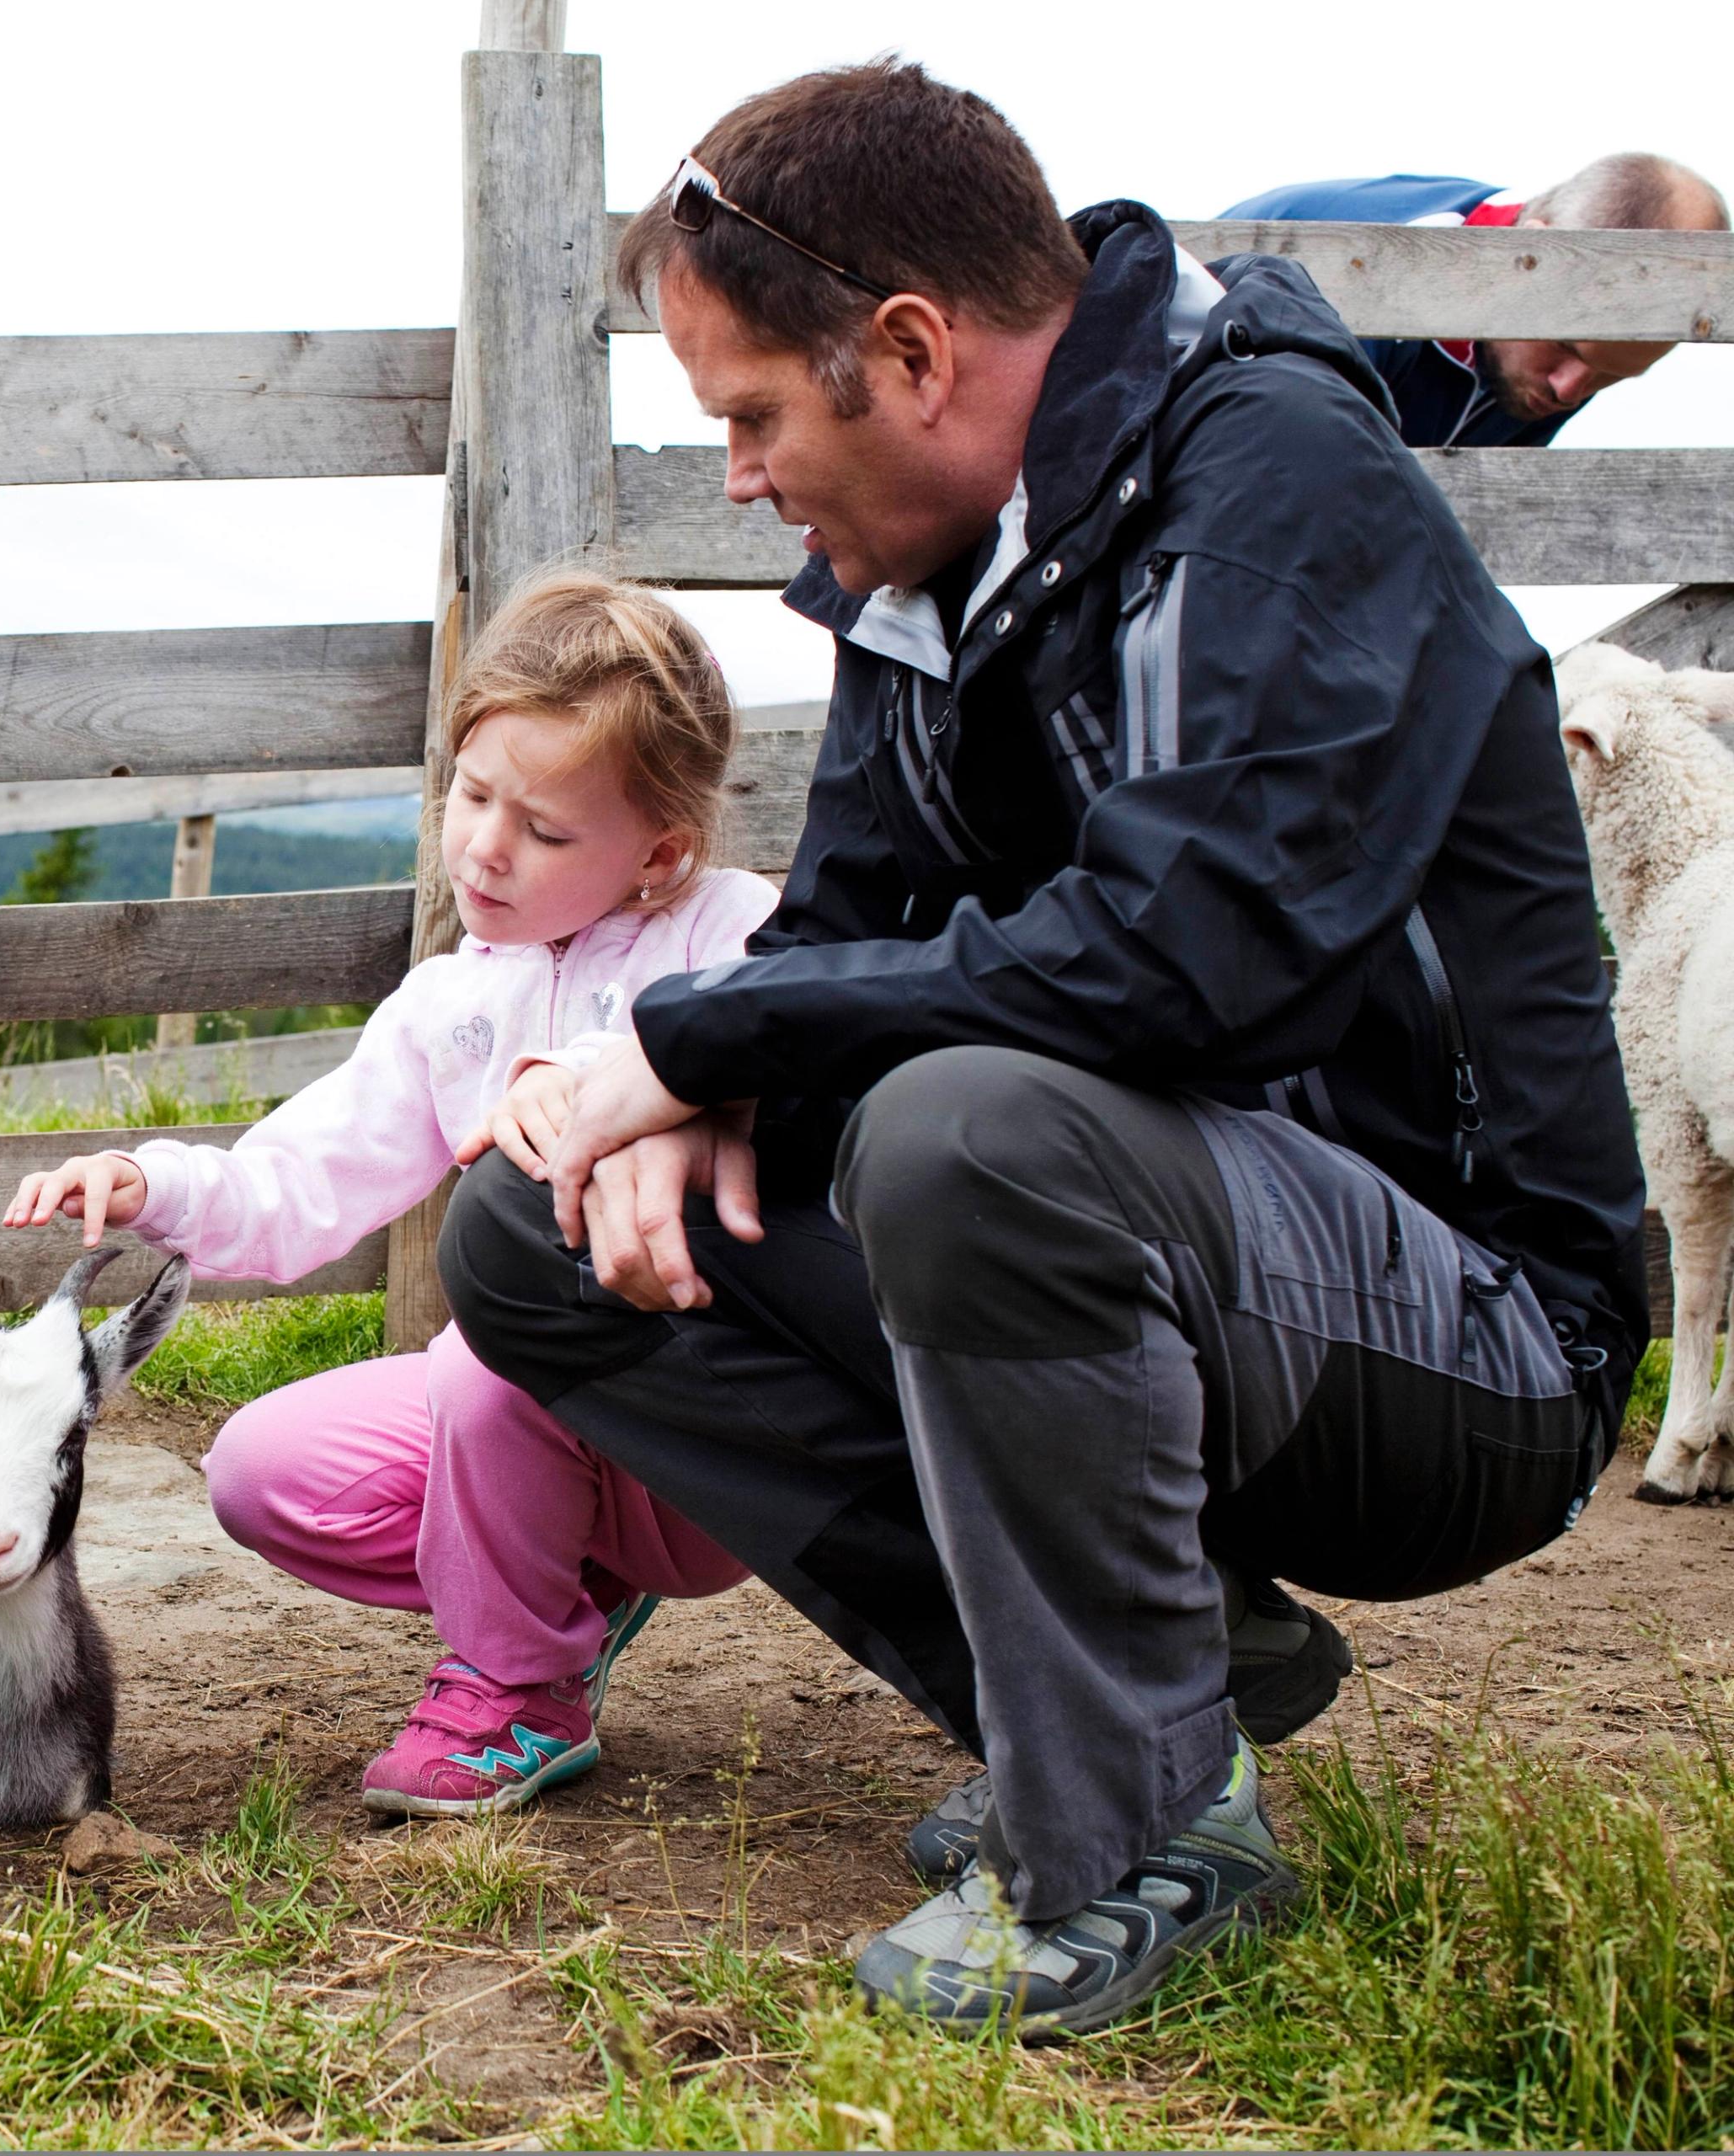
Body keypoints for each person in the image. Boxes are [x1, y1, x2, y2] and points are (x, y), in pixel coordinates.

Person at [440, 63, 1645, 2035]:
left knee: (971, 1129)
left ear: (905, 350)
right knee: (530, 1226)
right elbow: (842, 926)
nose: (740, 475)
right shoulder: (927, 584)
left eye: (749, 411)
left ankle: (1133, 1834)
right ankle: (1143, 1680)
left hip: (1465, 1339)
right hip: (1175, 1287)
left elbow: (1192, 966)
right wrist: (680, 1097)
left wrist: (687, 1033)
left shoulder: (1273, 487)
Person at [3, 570, 769, 1818]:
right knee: (259, 1472)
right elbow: (299, 1186)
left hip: (710, 1440)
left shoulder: (734, 930)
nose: (484, 847)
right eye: (470, 796)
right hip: (531, 1421)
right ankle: (564, 1611)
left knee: (491, 1355)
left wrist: (598, 1079)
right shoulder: (447, 1007)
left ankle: (515, 1687)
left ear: (660, 853)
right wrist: (151, 1184)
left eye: (546, 830)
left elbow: (784, 1037)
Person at [1219, 157, 1728, 446]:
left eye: (1613, 374)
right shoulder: (1382, 266)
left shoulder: (1565, 350)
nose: (1569, 390)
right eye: (1564, 345)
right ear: (1524, 250)